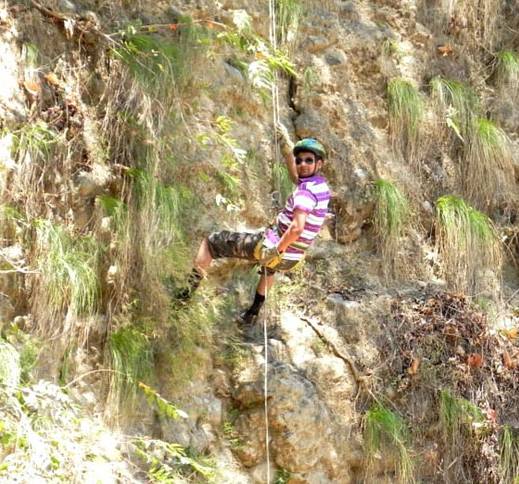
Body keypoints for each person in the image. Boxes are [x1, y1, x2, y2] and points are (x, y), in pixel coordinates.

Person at [180, 124, 331, 327]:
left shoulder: (305, 193)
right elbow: (296, 177)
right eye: (299, 160)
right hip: (292, 257)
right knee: (270, 268)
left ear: (319, 163)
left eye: (308, 160)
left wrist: (276, 250)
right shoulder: (319, 186)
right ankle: (251, 314)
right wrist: (287, 149)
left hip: (276, 248)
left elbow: (297, 228)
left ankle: (184, 296)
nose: (302, 164)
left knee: (211, 243)